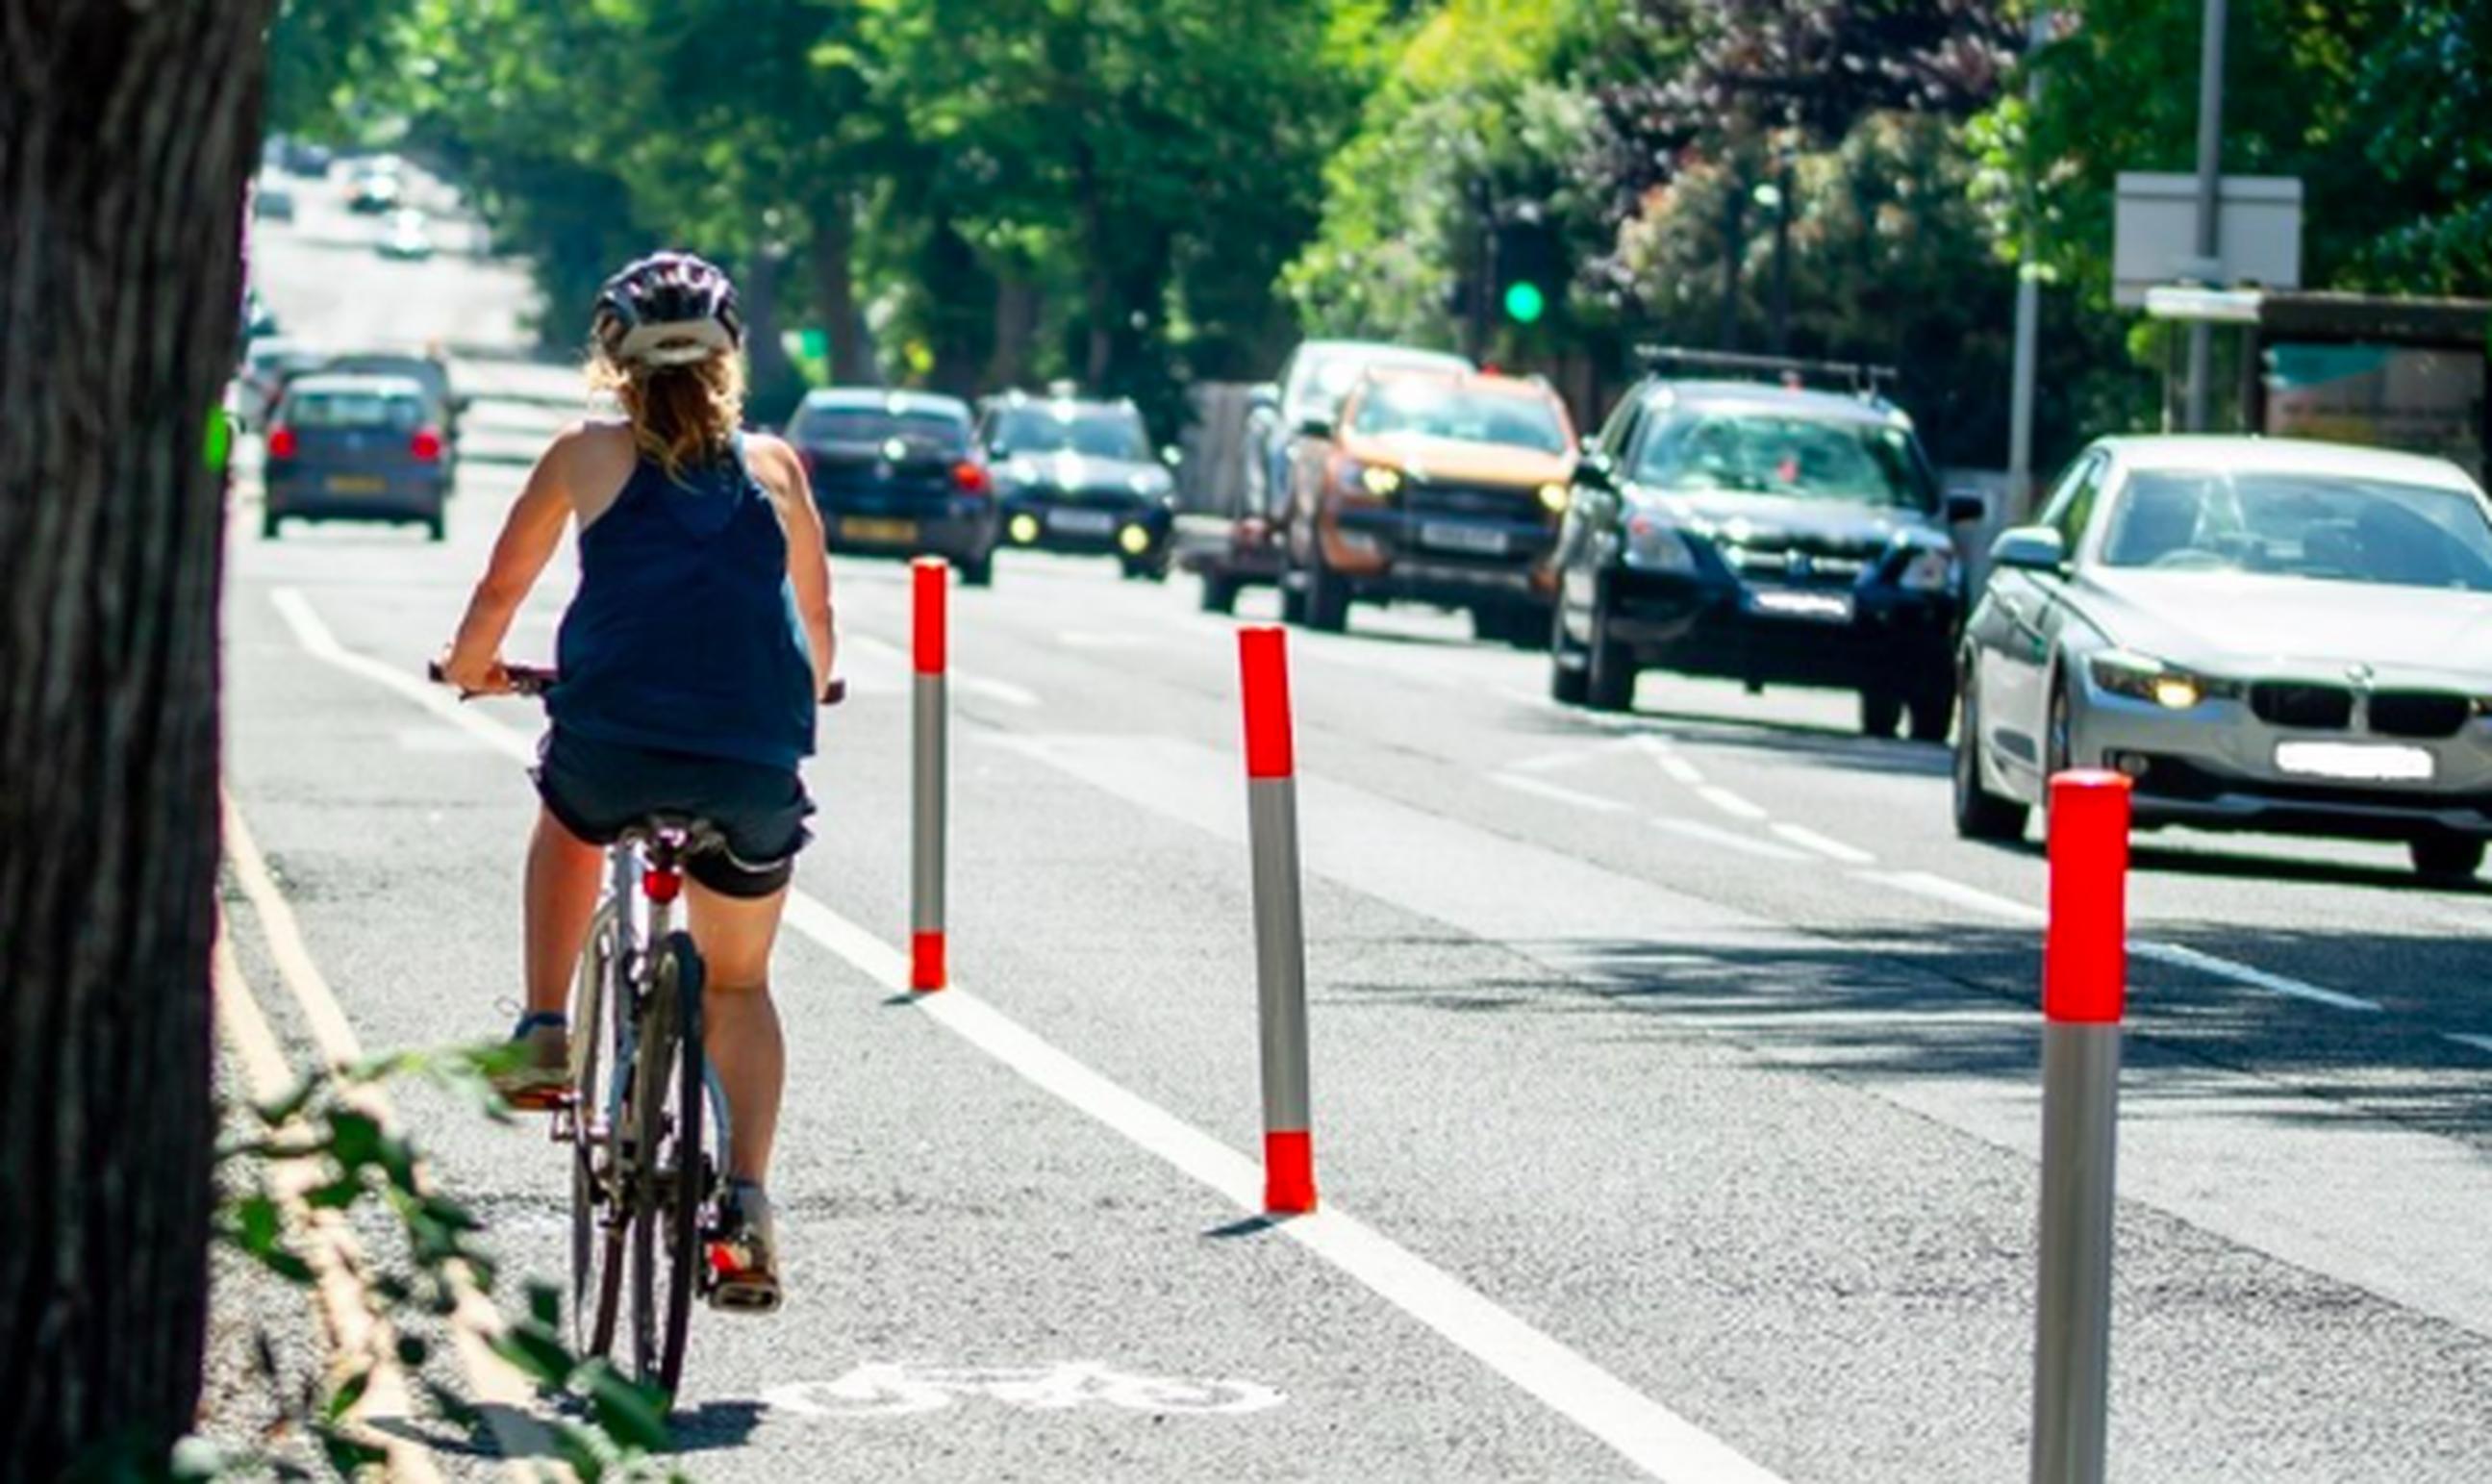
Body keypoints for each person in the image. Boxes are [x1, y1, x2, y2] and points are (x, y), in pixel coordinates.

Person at [440, 251, 834, 1313]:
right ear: (732, 357)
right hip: (752, 765)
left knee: (571, 814)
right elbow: (820, 640)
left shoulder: (584, 456)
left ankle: (541, 1029)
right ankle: (745, 1207)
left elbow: (497, 593)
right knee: (739, 984)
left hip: (613, 742)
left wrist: (476, 669)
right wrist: (816, 688)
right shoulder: (777, 470)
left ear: (609, 357)